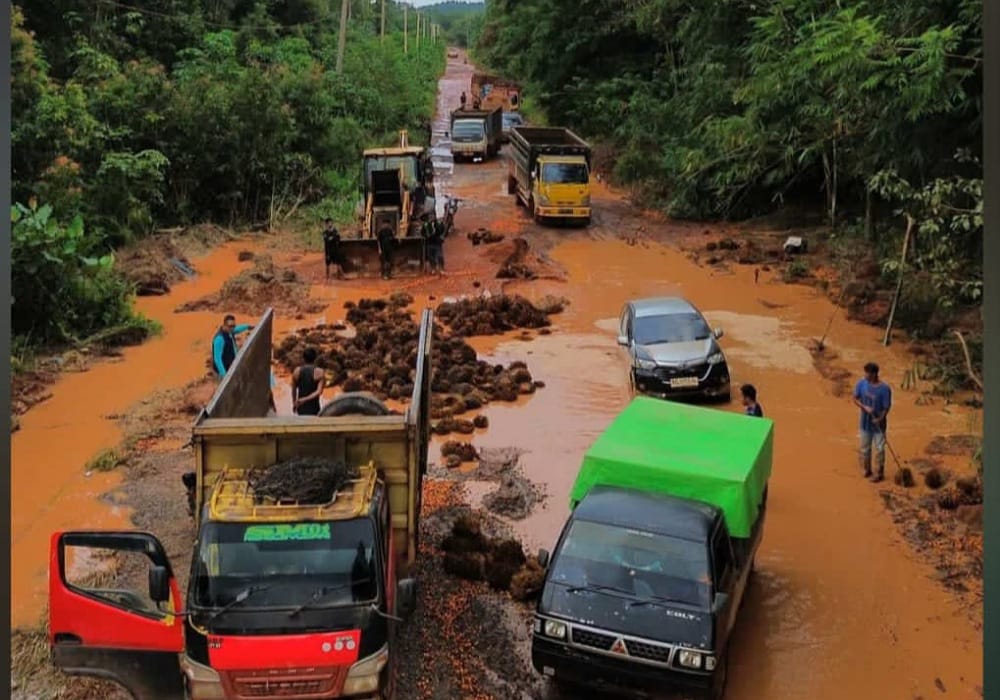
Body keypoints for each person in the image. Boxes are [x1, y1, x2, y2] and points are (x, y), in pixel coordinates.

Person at [852, 361, 892, 482]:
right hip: (865, 423)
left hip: (879, 424)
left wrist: (879, 419)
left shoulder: (885, 389)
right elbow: (854, 398)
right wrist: (864, 407)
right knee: (865, 448)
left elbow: (887, 407)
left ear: (874, 374)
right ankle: (867, 469)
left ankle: (879, 473)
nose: (865, 376)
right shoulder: (862, 384)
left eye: (868, 374)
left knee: (880, 448)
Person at [291, 348, 325, 416]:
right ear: (315, 358)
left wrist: (294, 403)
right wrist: (305, 399)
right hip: (314, 407)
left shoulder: (296, 371)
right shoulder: (320, 372)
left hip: (301, 407)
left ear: (303, 358)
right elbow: (319, 392)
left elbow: (293, 390)